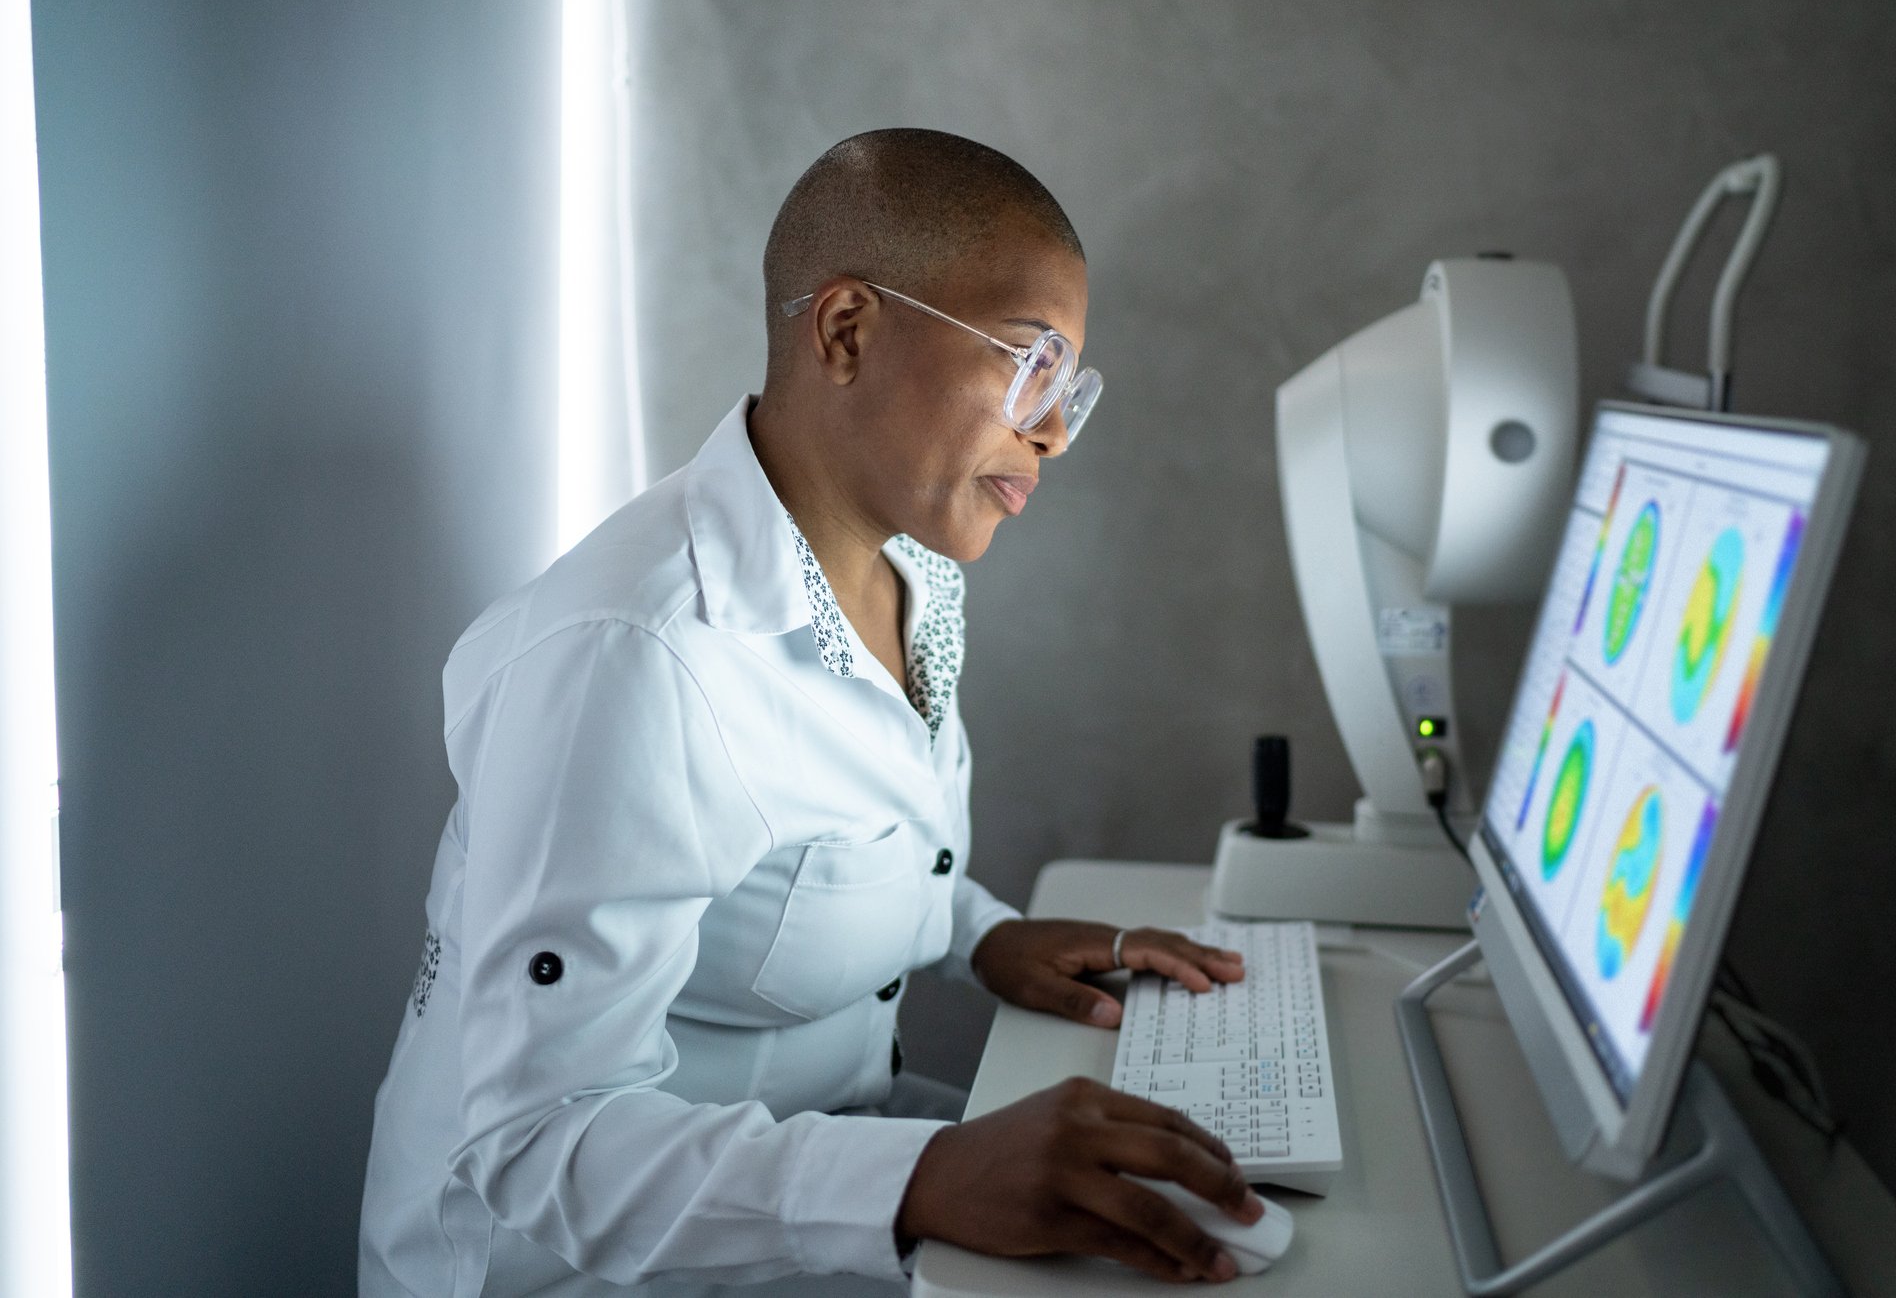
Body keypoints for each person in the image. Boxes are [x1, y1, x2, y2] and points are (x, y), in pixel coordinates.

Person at [360, 130, 1265, 1296]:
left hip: (803, 1166)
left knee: (1202, 1218)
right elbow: (536, 1141)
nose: (1052, 433)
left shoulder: (911, 579)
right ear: (845, 330)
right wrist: (925, 1179)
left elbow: (812, 860)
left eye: (1070, 388)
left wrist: (975, 931)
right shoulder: (634, 658)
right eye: (1029, 364)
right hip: (582, 1263)